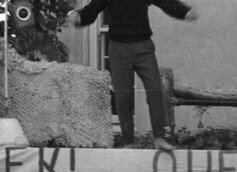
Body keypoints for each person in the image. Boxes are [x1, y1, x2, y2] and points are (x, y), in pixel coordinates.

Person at [69, 0, 199, 150]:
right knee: (123, 97)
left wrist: (185, 11)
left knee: (156, 91)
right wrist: (78, 16)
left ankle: (159, 138)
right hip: (118, 50)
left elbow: (166, 2)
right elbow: (92, 10)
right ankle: (128, 142)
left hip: (144, 47)